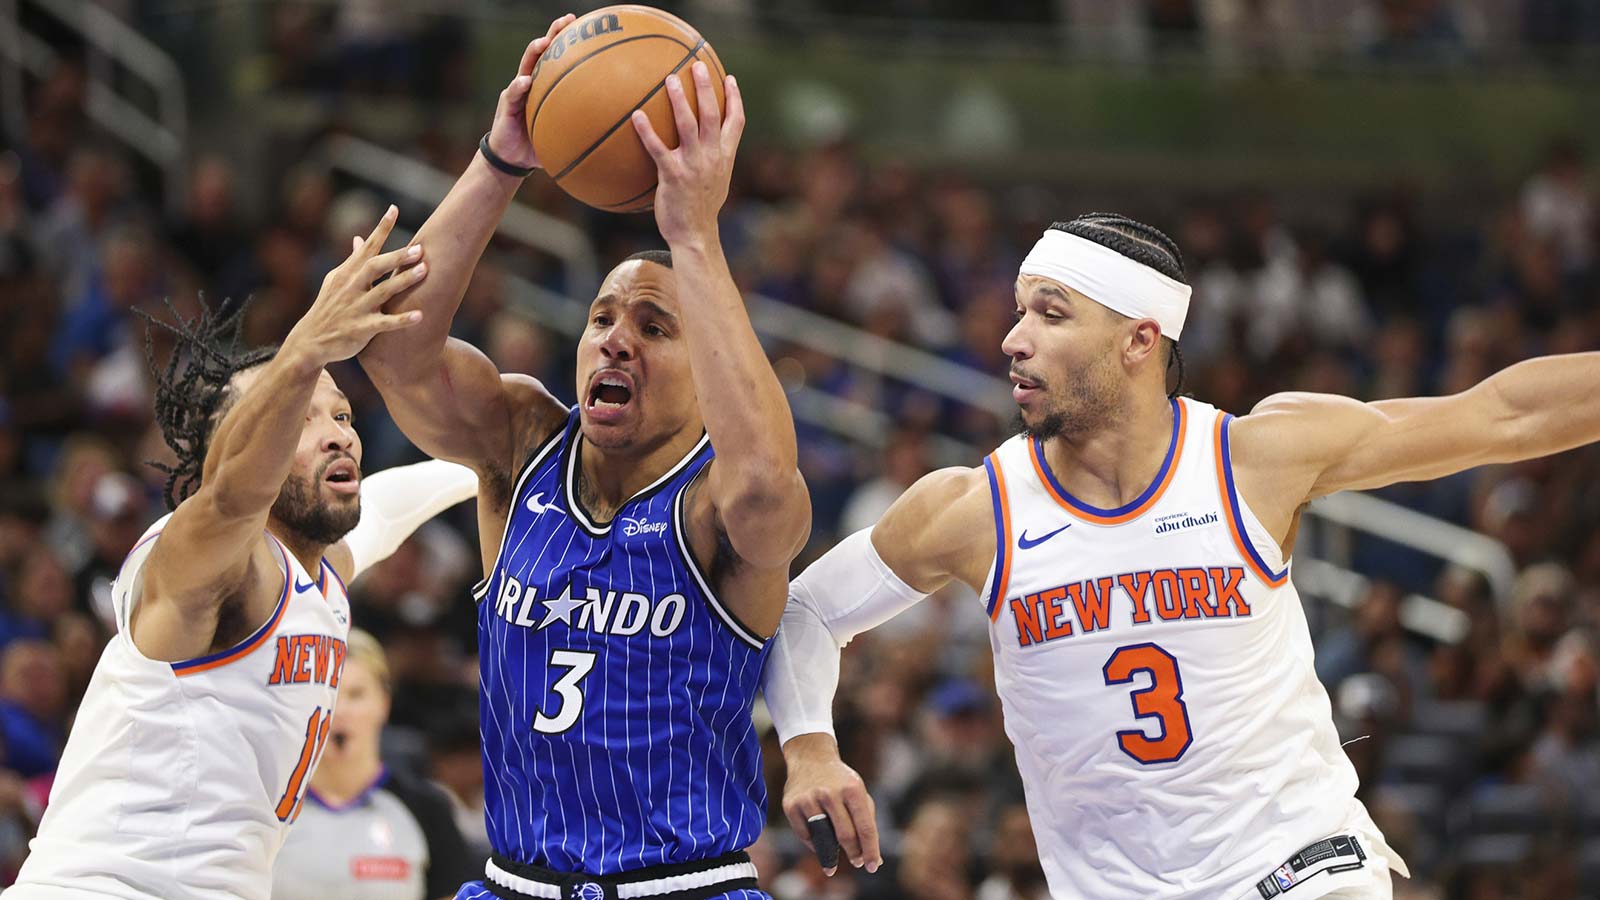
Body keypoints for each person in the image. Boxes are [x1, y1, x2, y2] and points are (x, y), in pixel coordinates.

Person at [765, 212, 1600, 899]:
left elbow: (1503, 415)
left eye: (1050, 313)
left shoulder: (1254, 459)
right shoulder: (972, 510)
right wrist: (808, 746)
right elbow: (806, 610)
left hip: (1295, 865)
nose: (1014, 339)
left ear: (1139, 339)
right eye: (1019, 311)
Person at [357, 16, 810, 900]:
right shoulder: (522, 440)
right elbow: (395, 352)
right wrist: (500, 161)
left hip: (683, 886)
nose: (615, 342)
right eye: (602, 318)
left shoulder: (719, 500)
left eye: (654, 326)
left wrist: (695, 237)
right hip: (511, 883)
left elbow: (766, 483)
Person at [10, 208, 478, 900]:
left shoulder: (317, 575)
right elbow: (234, 498)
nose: (338, 435)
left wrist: (512, 463)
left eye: (342, 417)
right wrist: (305, 349)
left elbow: (392, 503)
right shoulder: (189, 559)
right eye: (299, 417)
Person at [273, 629, 478, 900]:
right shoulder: (268, 805)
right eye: (326, 695)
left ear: (383, 702)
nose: (340, 711)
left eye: (356, 695)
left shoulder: (428, 809)